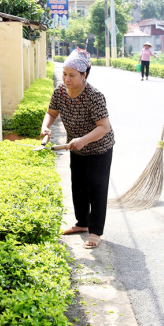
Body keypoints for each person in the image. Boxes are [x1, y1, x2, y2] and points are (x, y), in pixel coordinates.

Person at [41, 48, 115, 249]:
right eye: (65, 74)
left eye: (72, 75)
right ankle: (82, 223)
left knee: (97, 189)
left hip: (99, 148)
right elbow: (52, 113)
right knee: (79, 187)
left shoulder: (94, 96)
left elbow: (104, 127)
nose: (66, 79)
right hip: (77, 147)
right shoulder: (60, 92)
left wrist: (83, 139)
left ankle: (95, 232)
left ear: (84, 75)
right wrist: (45, 127)